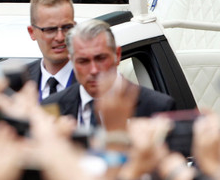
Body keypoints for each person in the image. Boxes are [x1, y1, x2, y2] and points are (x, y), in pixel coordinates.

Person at [42, 19, 175, 128]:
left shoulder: (158, 107)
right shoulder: (52, 108)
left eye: (100, 58)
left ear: (117, 55)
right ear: (72, 62)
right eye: (83, 61)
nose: (93, 70)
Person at [25, 0, 76, 101]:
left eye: (67, 27)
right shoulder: (20, 84)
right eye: (50, 30)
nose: (60, 37)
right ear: (32, 32)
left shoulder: (93, 82)